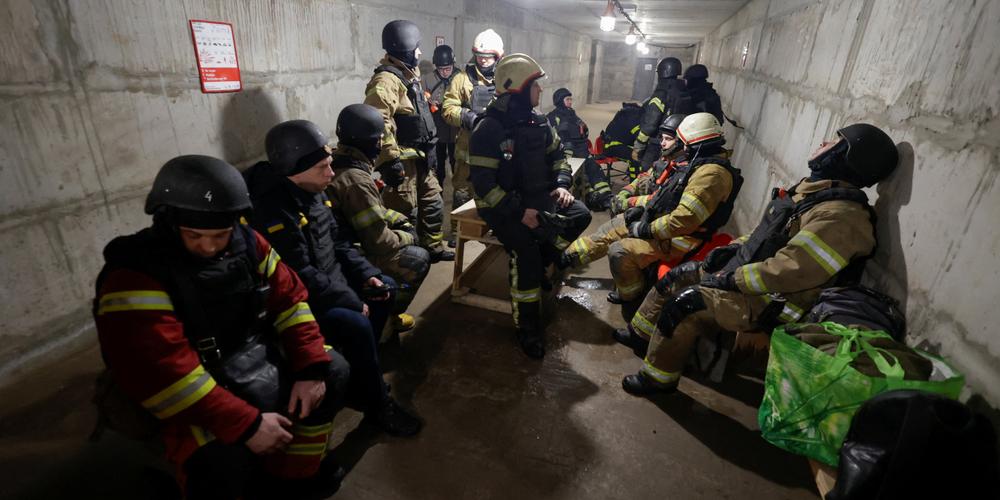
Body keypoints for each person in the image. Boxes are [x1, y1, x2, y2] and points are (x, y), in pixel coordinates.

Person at [94, 155, 350, 499]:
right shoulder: (136, 274)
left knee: (334, 372)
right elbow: (165, 374)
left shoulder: (246, 242)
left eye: (220, 234)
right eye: (195, 235)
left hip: (244, 354)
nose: (210, 246)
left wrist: (311, 368)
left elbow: (290, 301)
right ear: (168, 221)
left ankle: (295, 478)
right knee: (220, 462)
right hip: (182, 386)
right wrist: (247, 425)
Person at [622, 123, 898, 395]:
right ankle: (640, 335)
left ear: (847, 158)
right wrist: (733, 249)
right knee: (677, 276)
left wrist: (732, 278)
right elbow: (766, 235)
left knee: (686, 305)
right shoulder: (812, 194)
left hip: (775, 302)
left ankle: (658, 379)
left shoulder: (841, 218)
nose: (824, 143)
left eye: (834, 143)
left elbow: (790, 270)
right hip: (752, 279)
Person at [244, 119, 422, 437]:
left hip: (329, 282)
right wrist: (349, 298)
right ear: (295, 170)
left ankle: (361, 374)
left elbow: (337, 243)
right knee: (354, 320)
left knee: (383, 290)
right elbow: (299, 274)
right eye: (323, 168)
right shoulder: (273, 211)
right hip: (299, 296)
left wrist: (366, 275)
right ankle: (376, 402)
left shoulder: (313, 192)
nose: (330, 174)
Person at [467, 53, 592, 359]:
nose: (540, 91)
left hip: (536, 197)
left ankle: (544, 260)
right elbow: (483, 185)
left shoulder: (539, 121)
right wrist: (520, 212)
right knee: (524, 250)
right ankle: (528, 328)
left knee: (580, 214)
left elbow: (558, 156)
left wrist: (562, 184)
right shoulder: (489, 127)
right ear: (519, 88)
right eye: (535, 85)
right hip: (502, 205)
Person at [607, 113, 743, 323]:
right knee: (617, 233)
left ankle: (632, 297)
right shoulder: (699, 165)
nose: (683, 149)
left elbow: (683, 219)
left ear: (697, 144)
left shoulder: (710, 175)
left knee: (618, 251)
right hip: (674, 231)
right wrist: (643, 210)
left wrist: (645, 229)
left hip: (685, 239)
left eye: (685, 144)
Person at [325, 104, 432, 326]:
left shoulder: (338, 159)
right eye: (379, 139)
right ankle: (385, 319)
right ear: (372, 142)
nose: (381, 144)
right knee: (418, 259)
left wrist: (400, 220)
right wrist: (408, 236)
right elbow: (379, 243)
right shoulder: (357, 180)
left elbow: (373, 213)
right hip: (350, 252)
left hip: (341, 243)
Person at [365, 20, 453, 262]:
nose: (420, 52)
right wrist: (389, 160)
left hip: (421, 158)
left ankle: (433, 248)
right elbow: (377, 123)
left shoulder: (408, 75)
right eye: (417, 47)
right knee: (405, 212)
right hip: (403, 163)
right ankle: (409, 258)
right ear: (405, 48)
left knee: (433, 203)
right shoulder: (386, 81)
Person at [561, 113, 689, 271]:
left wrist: (630, 202)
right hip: (652, 217)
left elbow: (662, 199)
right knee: (604, 232)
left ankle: (629, 294)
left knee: (618, 249)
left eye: (668, 139)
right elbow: (645, 177)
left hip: (666, 231)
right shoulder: (667, 161)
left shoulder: (685, 172)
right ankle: (565, 260)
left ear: (684, 142)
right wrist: (625, 192)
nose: (662, 143)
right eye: (662, 138)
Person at [441, 28, 503, 223]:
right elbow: (448, 108)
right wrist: (467, 117)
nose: (483, 60)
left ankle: (492, 228)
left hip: (497, 148)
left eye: (488, 57)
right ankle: (457, 232)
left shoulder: (505, 78)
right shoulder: (462, 78)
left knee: (495, 191)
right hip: (467, 150)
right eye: (479, 56)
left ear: (497, 56)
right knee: (461, 193)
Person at [631, 57, 690, 176]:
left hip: (657, 143)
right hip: (678, 142)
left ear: (661, 73)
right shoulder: (683, 92)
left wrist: (638, 146)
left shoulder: (661, 94)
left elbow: (650, 125)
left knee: (647, 173)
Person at [423, 44, 458, 185]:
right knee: (438, 166)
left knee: (457, 165)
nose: (444, 72)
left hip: (456, 129)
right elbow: (421, 101)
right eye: (441, 69)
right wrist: (428, 101)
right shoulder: (427, 79)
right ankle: (438, 194)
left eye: (448, 69)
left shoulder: (461, 77)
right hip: (437, 129)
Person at [546, 88, 589, 158]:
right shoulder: (553, 116)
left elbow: (585, 132)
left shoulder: (572, 114)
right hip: (566, 151)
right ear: (560, 101)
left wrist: (583, 127)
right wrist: (558, 128)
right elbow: (548, 134)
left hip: (581, 148)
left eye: (571, 99)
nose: (570, 102)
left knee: (593, 166)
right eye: (567, 99)